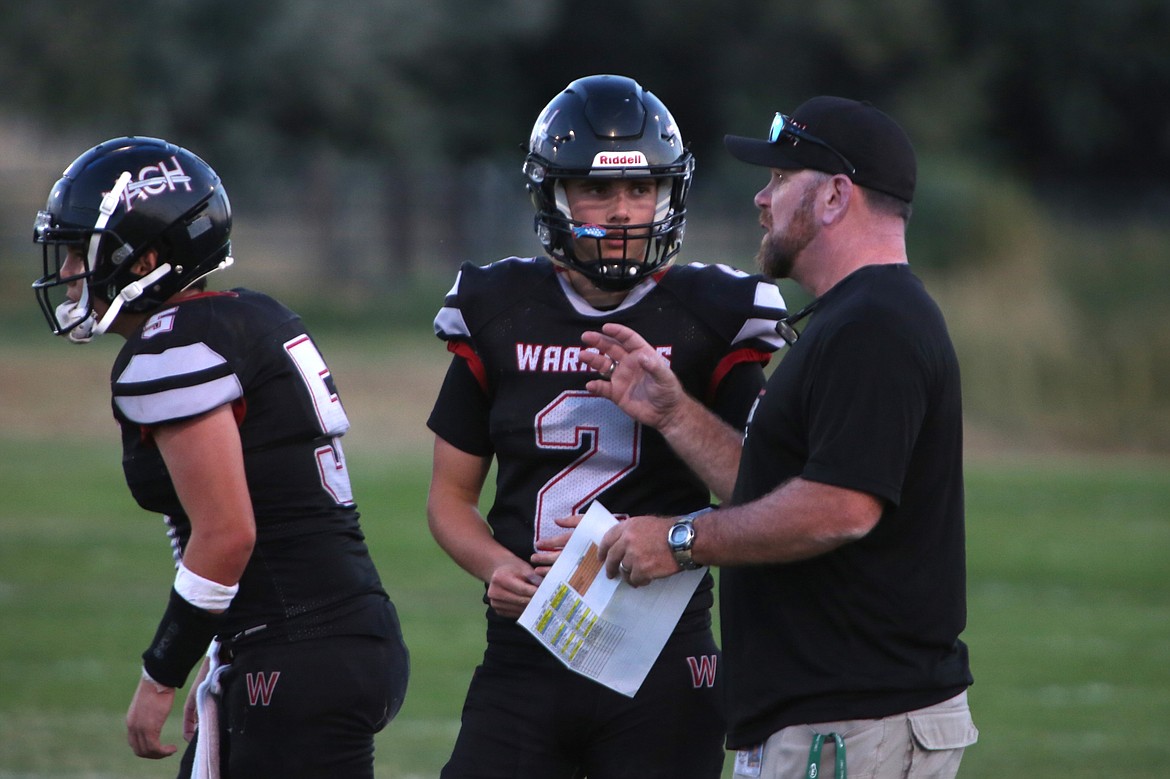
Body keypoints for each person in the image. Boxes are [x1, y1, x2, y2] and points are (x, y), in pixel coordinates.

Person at [580, 97, 979, 778]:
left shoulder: (876, 324)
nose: (761, 200)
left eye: (778, 180)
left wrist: (680, 540)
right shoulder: (850, 319)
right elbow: (777, 490)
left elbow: (841, 508)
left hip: (857, 723)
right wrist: (676, 413)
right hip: (832, 720)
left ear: (833, 196)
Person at [425, 74, 789, 778]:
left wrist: (678, 411)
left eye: (641, 188)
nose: (623, 211)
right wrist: (495, 564)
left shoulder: (712, 312)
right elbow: (449, 498)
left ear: (669, 193)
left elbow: (766, 491)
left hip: (663, 659)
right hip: (526, 652)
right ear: (554, 193)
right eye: (598, 189)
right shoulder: (499, 306)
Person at [31, 136, 409, 778]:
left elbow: (228, 533)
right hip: (325, 636)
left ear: (145, 258)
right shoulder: (252, 315)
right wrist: (217, 653)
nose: (69, 272)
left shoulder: (167, 348)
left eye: (79, 252)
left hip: (297, 647)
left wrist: (161, 674)